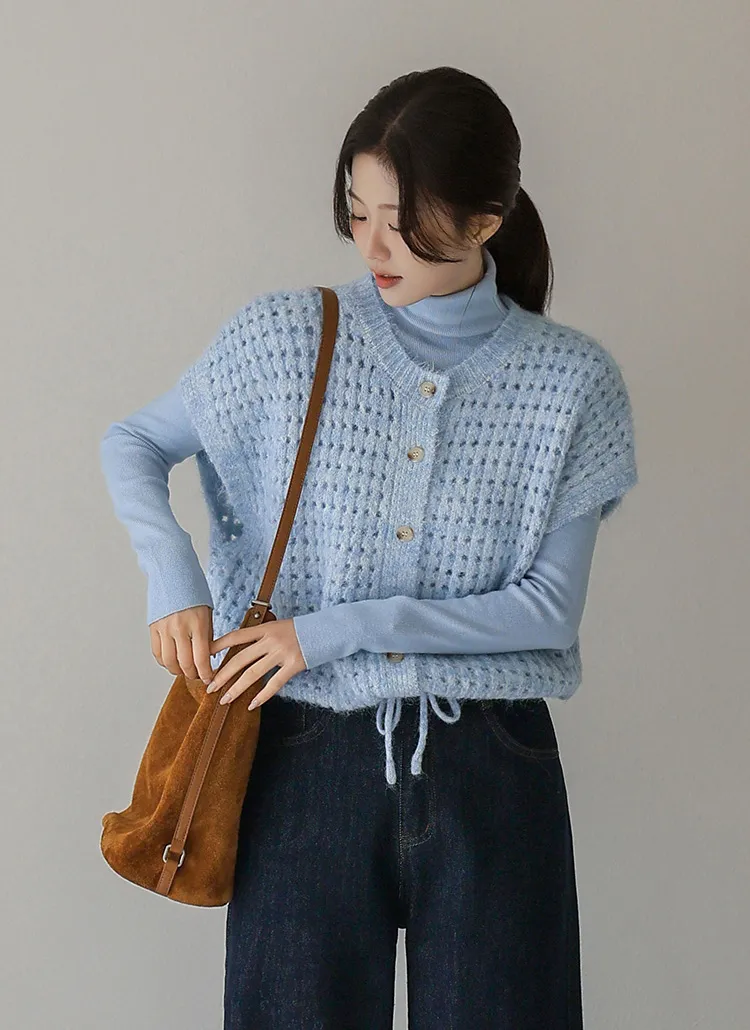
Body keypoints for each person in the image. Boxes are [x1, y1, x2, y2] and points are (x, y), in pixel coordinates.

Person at [100, 65, 638, 1029]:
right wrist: (171, 575)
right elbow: (132, 441)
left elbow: (549, 612)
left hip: (491, 758)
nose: (372, 244)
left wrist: (337, 629)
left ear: (487, 219)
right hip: (303, 751)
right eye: (356, 211)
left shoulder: (571, 385)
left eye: (403, 220)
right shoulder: (286, 337)